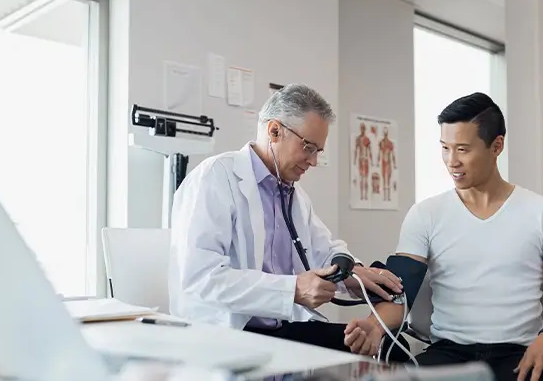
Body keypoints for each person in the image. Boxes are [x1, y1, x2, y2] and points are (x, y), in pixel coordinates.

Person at [343, 92, 543, 381]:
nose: (451, 161)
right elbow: (400, 290)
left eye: (462, 149)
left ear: (497, 146)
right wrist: (376, 324)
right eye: (445, 148)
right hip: (448, 354)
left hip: (520, 354)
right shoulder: (425, 214)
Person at [168, 83, 403, 352]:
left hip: (278, 330)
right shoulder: (215, 178)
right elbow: (201, 278)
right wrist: (291, 290)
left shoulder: (293, 194)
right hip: (225, 334)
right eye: (308, 147)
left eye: (318, 151)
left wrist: (352, 274)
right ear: (274, 131)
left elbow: (322, 250)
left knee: (386, 347)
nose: (313, 161)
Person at [354, 122, 372, 201]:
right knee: (362, 177)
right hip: (361, 159)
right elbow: (356, 150)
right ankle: (362, 195)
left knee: (366, 178)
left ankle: (366, 195)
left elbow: (369, 150)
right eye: (362, 128)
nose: (363, 130)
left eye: (364, 128)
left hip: (366, 159)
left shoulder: (367, 139)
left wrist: (371, 160)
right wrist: (354, 160)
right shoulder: (358, 139)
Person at [377, 126, 396, 201]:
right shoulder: (381, 143)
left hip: (389, 163)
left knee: (388, 180)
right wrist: (377, 162)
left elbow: (393, 154)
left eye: (386, 132)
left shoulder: (390, 143)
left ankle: (388, 197)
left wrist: (394, 163)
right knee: (384, 180)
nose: (385, 134)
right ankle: (384, 197)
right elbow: (379, 153)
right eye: (384, 132)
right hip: (383, 163)